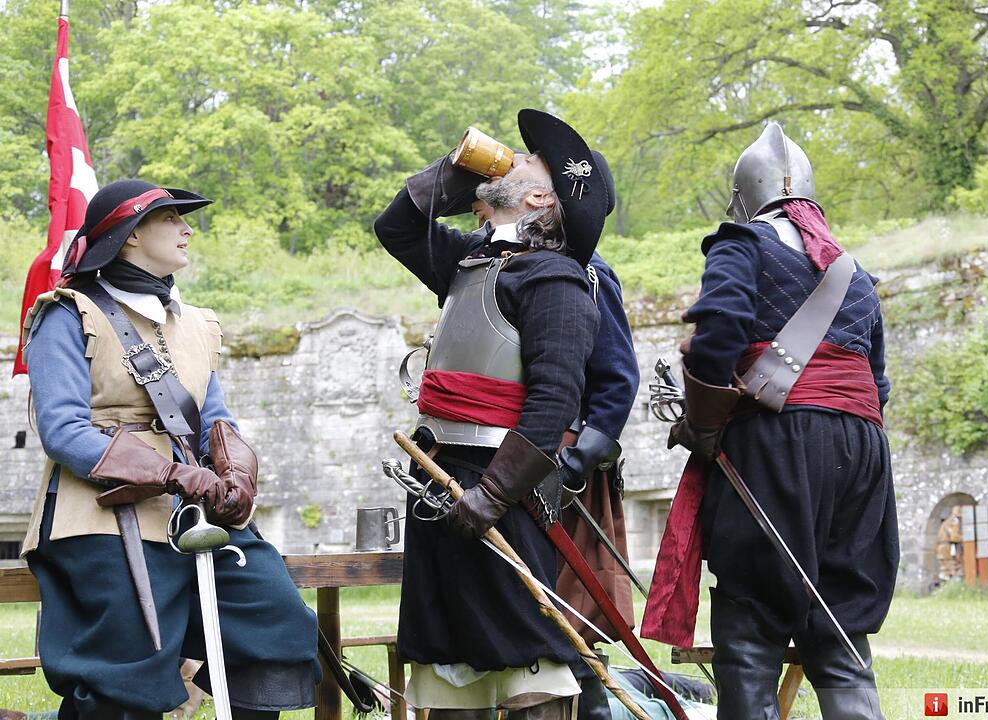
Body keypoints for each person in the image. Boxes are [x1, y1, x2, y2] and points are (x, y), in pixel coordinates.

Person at [20, 180, 320, 720]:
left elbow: (213, 420)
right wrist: (174, 475)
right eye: (171, 219)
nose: (186, 230)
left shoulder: (195, 323)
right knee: (124, 673)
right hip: (98, 517)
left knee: (276, 622)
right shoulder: (66, 313)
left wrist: (234, 474)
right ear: (131, 235)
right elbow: (63, 430)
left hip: (194, 512)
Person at [654, 123, 899, 719]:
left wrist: (705, 425)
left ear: (744, 197)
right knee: (840, 619)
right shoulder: (855, 272)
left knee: (752, 616)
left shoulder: (741, 243)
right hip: (862, 451)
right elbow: (877, 383)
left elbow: (717, 334)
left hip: (778, 441)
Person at [374, 109, 609, 720]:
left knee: (529, 652)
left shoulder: (556, 281)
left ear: (539, 197)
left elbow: (554, 402)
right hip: (437, 478)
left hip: (503, 487)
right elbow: (396, 226)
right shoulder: (471, 263)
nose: (515, 157)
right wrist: (457, 172)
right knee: (450, 659)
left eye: (531, 161)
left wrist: (494, 494)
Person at [476, 154, 640, 720]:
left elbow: (616, 377)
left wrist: (575, 463)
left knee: (565, 609)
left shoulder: (588, 272)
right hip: (502, 456)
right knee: (514, 604)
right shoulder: (499, 263)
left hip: (563, 467)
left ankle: (589, 710)